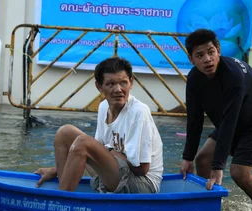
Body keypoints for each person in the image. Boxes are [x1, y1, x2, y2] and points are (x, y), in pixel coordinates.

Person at [180, 28, 252, 211]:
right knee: (202, 159)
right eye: (200, 55)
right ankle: (209, 206)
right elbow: (194, 120)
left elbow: (228, 121)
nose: (207, 60)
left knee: (239, 173)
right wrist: (187, 157)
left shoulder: (233, 75)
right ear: (191, 59)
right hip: (236, 118)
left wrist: (218, 166)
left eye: (211, 52)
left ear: (218, 50)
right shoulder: (194, 79)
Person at [34, 56, 163, 194]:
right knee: (64, 133)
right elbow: (96, 153)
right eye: (110, 84)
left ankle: (61, 201)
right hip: (116, 174)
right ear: (99, 86)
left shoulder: (139, 112)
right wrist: (57, 169)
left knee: (83, 143)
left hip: (143, 185)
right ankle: (63, 180)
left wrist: (109, 151)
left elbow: (142, 169)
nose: (118, 89)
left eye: (123, 83)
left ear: (131, 82)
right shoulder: (103, 108)